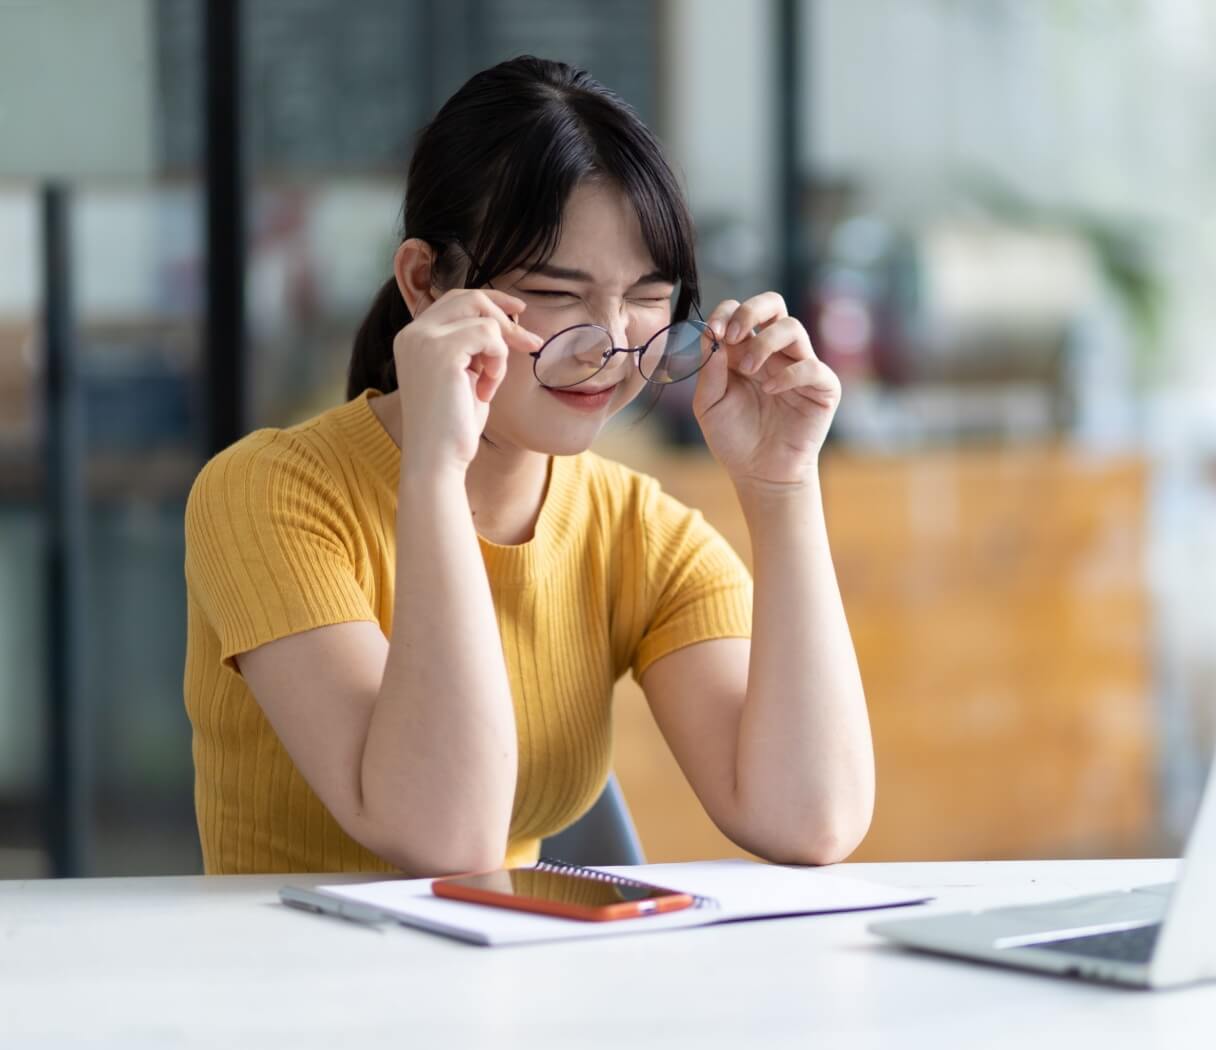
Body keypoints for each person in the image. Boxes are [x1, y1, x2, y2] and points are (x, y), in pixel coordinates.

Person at [182, 56, 874, 876]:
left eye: (649, 295)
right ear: (424, 282)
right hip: (276, 988)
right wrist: (437, 474)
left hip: (510, 983)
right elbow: (443, 839)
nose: (613, 344)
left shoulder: (637, 531)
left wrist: (782, 487)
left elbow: (810, 819)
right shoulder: (265, 493)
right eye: (557, 292)